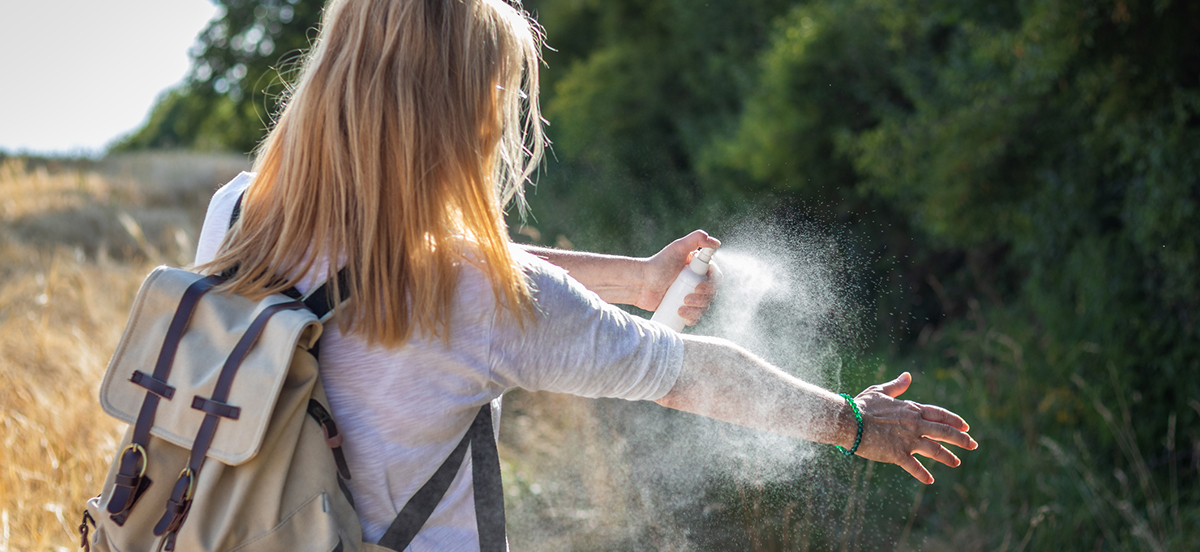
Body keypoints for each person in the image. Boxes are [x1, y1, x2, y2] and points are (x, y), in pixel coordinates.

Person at [194, 0, 976, 549]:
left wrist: (637, 279)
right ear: (462, 106)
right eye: (498, 90)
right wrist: (855, 423)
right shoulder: (476, 294)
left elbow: (417, 257)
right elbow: (687, 373)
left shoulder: (241, 211)